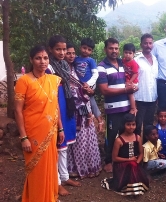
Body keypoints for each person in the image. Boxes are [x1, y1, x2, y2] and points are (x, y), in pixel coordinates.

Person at [15, 45, 64, 201]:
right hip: (33, 133)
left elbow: (55, 105)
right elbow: (18, 111)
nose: (42, 61)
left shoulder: (53, 79)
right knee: (36, 170)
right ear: (31, 60)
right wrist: (23, 138)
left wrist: (60, 129)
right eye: (38, 58)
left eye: (45, 58)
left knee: (50, 167)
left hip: (51, 131)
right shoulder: (24, 81)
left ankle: (48, 197)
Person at [97, 38, 138, 173]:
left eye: (116, 48)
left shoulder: (123, 63)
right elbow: (104, 90)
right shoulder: (102, 67)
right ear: (105, 49)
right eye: (111, 48)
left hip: (126, 107)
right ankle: (108, 161)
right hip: (113, 109)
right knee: (111, 135)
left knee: (124, 134)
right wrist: (126, 90)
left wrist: (133, 88)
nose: (114, 51)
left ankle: (123, 160)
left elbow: (134, 74)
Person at [45, 35, 78, 196]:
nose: (62, 52)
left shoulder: (64, 64)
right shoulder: (48, 68)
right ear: (51, 49)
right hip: (55, 106)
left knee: (64, 145)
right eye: (58, 49)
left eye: (64, 49)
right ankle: (56, 181)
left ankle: (64, 177)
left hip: (66, 105)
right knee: (56, 146)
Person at [65, 43, 102, 179]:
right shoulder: (64, 69)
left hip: (86, 109)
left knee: (87, 139)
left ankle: (89, 167)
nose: (71, 55)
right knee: (75, 141)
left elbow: (91, 83)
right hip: (73, 110)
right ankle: (73, 168)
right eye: (68, 53)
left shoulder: (85, 64)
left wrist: (90, 90)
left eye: (72, 53)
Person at [100, 113, 149, 195]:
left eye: (133, 124)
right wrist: (129, 160)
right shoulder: (119, 140)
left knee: (133, 165)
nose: (131, 127)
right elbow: (114, 158)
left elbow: (141, 153)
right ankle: (126, 186)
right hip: (121, 165)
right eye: (128, 124)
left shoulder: (138, 138)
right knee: (131, 165)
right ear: (123, 125)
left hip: (135, 164)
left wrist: (137, 162)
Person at [74, 37, 103, 128]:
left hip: (90, 84)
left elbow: (95, 74)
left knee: (86, 98)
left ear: (91, 51)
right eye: (84, 48)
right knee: (88, 100)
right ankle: (94, 117)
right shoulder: (75, 59)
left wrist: (89, 84)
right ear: (80, 47)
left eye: (89, 49)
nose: (86, 51)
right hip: (80, 85)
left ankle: (91, 116)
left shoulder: (90, 60)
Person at [134, 33, 158, 135]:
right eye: (145, 43)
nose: (148, 45)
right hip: (139, 99)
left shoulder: (156, 60)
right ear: (141, 45)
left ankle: (146, 149)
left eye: (150, 43)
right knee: (137, 125)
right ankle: (137, 149)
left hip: (152, 99)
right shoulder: (136, 60)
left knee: (149, 126)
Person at [122, 43, 139, 115]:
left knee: (130, 93)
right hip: (126, 81)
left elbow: (135, 74)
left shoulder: (133, 63)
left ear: (133, 54)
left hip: (133, 81)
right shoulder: (123, 61)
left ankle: (133, 108)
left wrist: (130, 81)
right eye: (126, 52)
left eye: (130, 53)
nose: (127, 55)